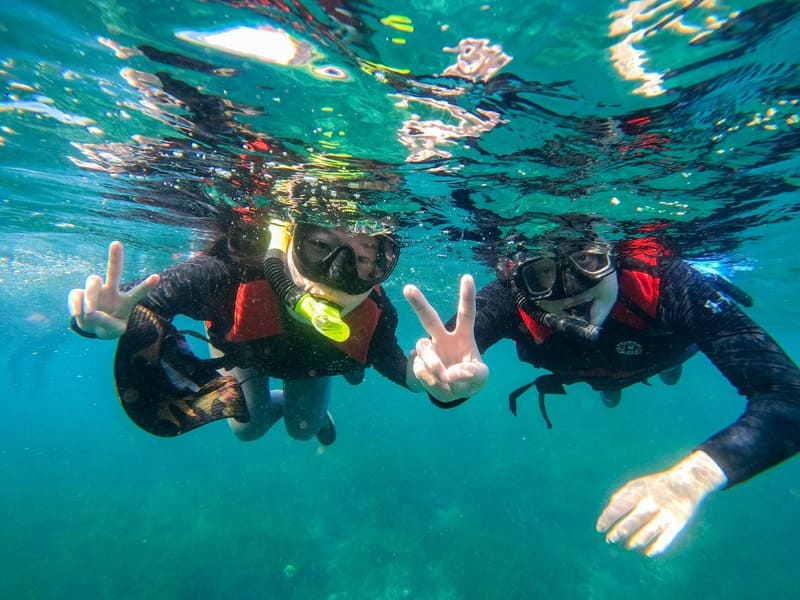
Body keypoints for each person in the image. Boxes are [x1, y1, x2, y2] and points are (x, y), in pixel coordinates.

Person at [404, 214, 800, 557]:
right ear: (519, 281)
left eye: (587, 262)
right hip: (585, 372)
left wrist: (692, 480)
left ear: (614, 255)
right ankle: (612, 386)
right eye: (542, 274)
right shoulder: (505, 300)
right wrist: (446, 389)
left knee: (668, 365)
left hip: (663, 352)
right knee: (607, 389)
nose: (572, 290)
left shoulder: (668, 282)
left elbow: (789, 395)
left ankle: (652, 374)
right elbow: (449, 368)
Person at [68, 214, 486, 444]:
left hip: (314, 363)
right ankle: (293, 398)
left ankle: (317, 402)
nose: (335, 277)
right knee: (247, 429)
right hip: (245, 353)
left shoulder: (376, 314)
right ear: (287, 242)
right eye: (320, 248)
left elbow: (403, 367)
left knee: (303, 431)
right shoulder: (226, 273)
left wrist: (437, 381)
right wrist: (102, 321)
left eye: (363, 260)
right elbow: (140, 302)